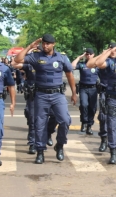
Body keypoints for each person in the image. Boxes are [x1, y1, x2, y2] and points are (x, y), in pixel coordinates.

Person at [14, 34, 77, 164]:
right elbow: (17, 60)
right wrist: (30, 46)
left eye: (48, 43)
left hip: (57, 95)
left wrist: (74, 93)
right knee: (39, 124)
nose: (45, 46)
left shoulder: (62, 58)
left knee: (65, 120)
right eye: (43, 43)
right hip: (41, 95)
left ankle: (59, 145)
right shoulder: (36, 56)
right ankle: (40, 152)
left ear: (53, 44)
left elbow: (70, 75)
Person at [11, 48, 58, 154]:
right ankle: (32, 143)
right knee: (33, 118)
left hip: (47, 93)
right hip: (33, 94)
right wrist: (28, 50)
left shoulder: (49, 63)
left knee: (55, 115)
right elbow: (14, 63)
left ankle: (48, 133)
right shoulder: (29, 65)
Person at [86, 42, 116, 152]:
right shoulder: (104, 61)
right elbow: (89, 64)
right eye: (111, 49)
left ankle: (115, 142)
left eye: (115, 48)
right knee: (103, 117)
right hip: (105, 92)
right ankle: (104, 139)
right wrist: (103, 53)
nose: (113, 50)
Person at [71, 48, 98, 135]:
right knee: (83, 105)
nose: (88, 55)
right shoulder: (82, 65)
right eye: (87, 54)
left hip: (93, 89)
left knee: (92, 108)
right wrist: (79, 57)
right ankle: (84, 122)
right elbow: (72, 66)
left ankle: (89, 126)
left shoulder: (97, 65)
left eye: (90, 54)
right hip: (83, 88)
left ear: (93, 55)